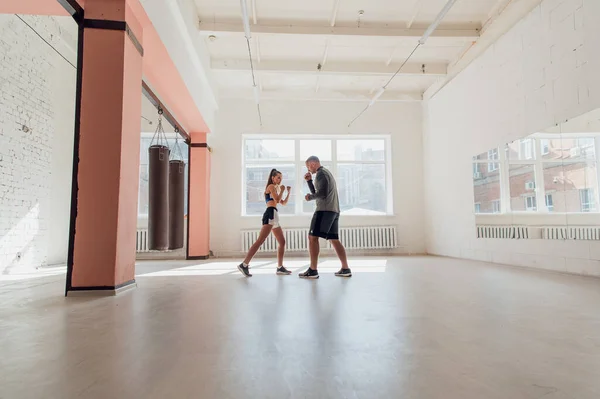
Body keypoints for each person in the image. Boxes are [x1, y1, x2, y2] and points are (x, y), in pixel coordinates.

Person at [299, 156, 352, 279]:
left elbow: (321, 195)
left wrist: (309, 198)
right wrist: (309, 181)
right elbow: (319, 192)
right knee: (334, 239)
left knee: (312, 238)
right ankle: (345, 268)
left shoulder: (321, 174)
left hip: (324, 210)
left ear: (313, 163)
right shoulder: (325, 173)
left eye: (308, 166)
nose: (308, 169)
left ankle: (313, 270)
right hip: (334, 210)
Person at [237, 169, 292, 277]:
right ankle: (244, 264)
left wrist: (288, 192)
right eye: (278, 177)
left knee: (282, 242)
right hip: (270, 213)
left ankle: (280, 267)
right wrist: (281, 190)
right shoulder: (271, 187)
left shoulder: (275, 189)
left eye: (281, 178)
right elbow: (276, 200)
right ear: (273, 178)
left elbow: (283, 203)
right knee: (260, 240)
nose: (280, 180)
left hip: (275, 215)